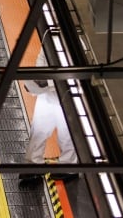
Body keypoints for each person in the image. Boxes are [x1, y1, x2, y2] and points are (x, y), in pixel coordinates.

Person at [18, 50, 78, 186]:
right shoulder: (48, 37)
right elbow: (41, 57)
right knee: (38, 132)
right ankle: (33, 165)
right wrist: (40, 76)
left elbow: (72, 73)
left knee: (66, 135)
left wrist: (47, 82)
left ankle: (68, 166)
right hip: (46, 96)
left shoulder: (73, 46)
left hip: (67, 98)